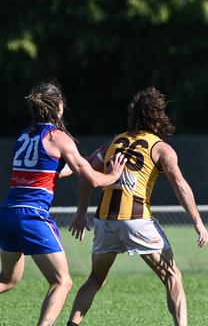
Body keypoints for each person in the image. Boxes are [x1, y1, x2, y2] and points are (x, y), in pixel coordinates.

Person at [67, 87, 208, 326]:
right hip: (136, 220)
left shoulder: (112, 143)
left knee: (95, 279)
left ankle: (72, 324)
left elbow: (85, 174)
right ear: (158, 115)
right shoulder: (161, 148)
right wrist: (198, 222)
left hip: (105, 221)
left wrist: (81, 213)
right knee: (173, 275)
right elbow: (181, 186)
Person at [0, 81, 125, 326]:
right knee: (62, 282)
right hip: (32, 216)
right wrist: (113, 175)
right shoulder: (59, 138)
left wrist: (84, 162)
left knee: (8, 280)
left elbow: (52, 170)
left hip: (8, 213)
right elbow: (92, 179)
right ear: (58, 106)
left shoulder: (24, 135)